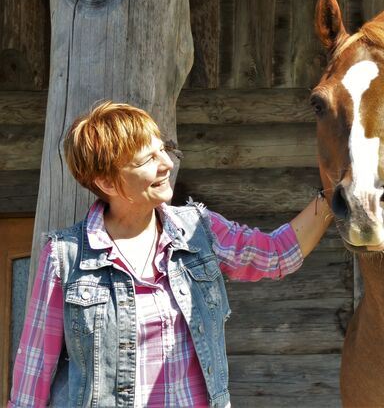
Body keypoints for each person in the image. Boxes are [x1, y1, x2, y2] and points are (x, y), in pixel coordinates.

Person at [9, 101, 332, 408]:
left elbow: (276, 255)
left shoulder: (199, 230)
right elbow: (34, 368)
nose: (166, 164)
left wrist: (336, 194)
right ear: (106, 181)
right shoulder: (66, 256)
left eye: (163, 149)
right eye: (147, 159)